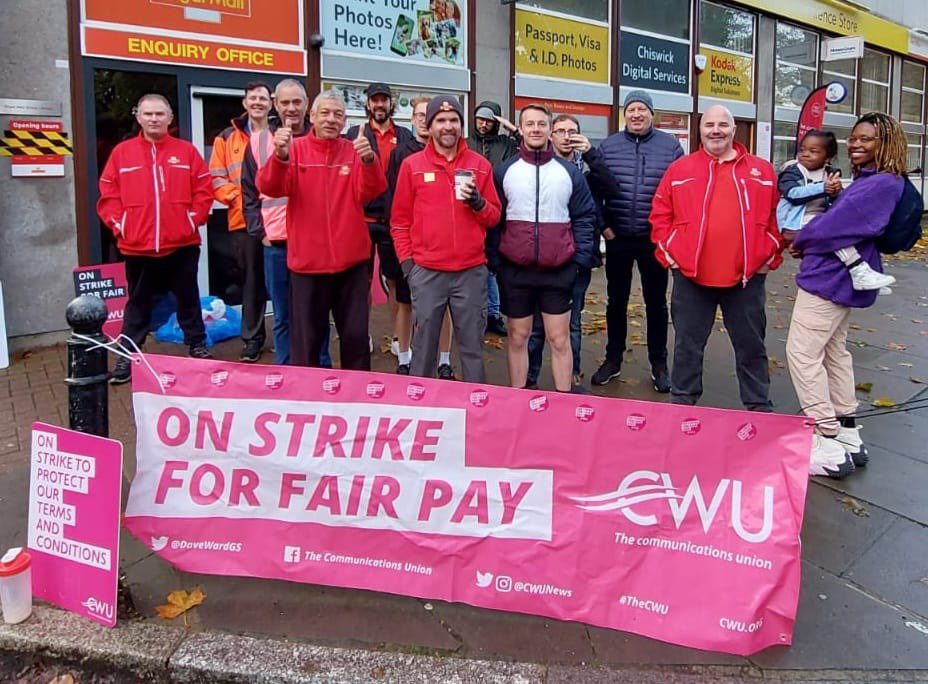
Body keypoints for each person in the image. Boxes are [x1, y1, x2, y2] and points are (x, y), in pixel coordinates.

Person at [786, 112, 907, 478]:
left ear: (885, 143)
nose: (856, 144)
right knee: (834, 353)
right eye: (854, 138)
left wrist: (801, 240)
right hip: (839, 279)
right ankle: (848, 432)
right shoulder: (876, 181)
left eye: (866, 139)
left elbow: (834, 226)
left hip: (827, 280)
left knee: (802, 354)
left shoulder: (880, 184)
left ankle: (825, 438)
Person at [650, 104, 782, 411]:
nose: (716, 130)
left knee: (751, 346)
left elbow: (778, 218)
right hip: (692, 277)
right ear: (700, 130)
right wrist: (670, 252)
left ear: (734, 130)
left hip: (745, 278)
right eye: (709, 124)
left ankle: (758, 404)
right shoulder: (680, 169)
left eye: (723, 124)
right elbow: (660, 215)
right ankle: (683, 403)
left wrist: (769, 254)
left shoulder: (761, 171)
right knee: (687, 346)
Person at [257, 90, 386, 370]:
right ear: (311, 116)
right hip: (307, 267)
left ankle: (358, 399)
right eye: (325, 113)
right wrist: (279, 157)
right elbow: (270, 187)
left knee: (355, 339)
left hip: (351, 265)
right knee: (307, 343)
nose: (331, 119)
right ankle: (308, 402)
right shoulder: (296, 149)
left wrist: (368, 161)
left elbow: (371, 191)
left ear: (345, 121)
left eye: (338, 114)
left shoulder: (353, 150)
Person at [98, 93, 213, 385]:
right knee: (137, 304)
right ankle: (127, 354)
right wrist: (120, 224)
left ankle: (197, 344)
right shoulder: (122, 153)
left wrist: (192, 219)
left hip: (181, 244)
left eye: (160, 114)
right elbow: (108, 194)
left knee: (188, 299)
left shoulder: (186, 151)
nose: (154, 119)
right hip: (138, 246)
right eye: (148, 114)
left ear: (170, 118)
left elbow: (203, 188)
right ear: (138, 117)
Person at [391, 95, 502, 382]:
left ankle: (476, 409)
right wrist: (408, 265)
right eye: (440, 120)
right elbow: (400, 221)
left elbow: (494, 217)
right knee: (423, 349)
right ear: (429, 126)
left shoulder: (479, 165)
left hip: (470, 272)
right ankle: (422, 407)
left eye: (454, 120)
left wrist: (478, 203)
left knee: (472, 350)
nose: (448, 126)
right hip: (427, 273)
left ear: (461, 125)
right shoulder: (412, 165)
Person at [491, 104, 596, 393]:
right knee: (517, 337)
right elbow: (494, 219)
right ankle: (517, 400)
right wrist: (495, 262)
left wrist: (580, 261)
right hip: (516, 270)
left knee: (559, 340)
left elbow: (586, 217)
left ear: (549, 129)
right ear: (520, 129)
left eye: (541, 124)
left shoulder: (568, 173)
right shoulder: (505, 171)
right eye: (530, 124)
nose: (536, 129)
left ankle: (564, 401)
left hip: (558, 271)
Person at [592, 90, 684, 392]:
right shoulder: (608, 147)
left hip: (653, 240)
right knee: (616, 301)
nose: (636, 114)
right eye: (631, 109)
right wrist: (604, 228)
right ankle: (612, 359)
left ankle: (659, 363)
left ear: (651, 115)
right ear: (624, 114)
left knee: (656, 304)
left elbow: (679, 196)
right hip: (617, 236)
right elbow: (594, 192)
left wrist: (667, 235)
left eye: (642, 109)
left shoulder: (670, 148)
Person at [241, 79, 331, 367]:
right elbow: (248, 192)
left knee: (317, 313)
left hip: (315, 243)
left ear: (307, 104)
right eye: (285, 102)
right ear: (275, 105)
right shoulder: (259, 142)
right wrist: (260, 233)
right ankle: (286, 374)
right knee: (282, 316)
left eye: (297, 102)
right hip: (277, 243)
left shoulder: (322, 139)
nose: (291, 108)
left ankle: (322, 371)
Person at [526, 114, 618, 389]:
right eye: (560, 131)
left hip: (577, 258)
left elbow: (610, 190)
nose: (566, 136)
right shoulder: (537, 166)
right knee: (537, 326)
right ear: (551, 136)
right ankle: (529, 377)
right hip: (541, 258)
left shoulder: (588, 169)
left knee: (572, 322)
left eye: (572, 131)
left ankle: (571, 375)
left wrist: (591, 154)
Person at [384, 96, 456, 379]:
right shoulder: (402, 154)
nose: (425, 120)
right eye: (420, 115)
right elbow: (395, 205)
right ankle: (404, 357)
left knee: (444, 307)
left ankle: (444, 360)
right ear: (414, 119)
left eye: (431, 114)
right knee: (405, 303)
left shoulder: (452, 154)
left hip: (441, 250)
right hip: (409, 247)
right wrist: (402, 249)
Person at [777, 129, 895, 292]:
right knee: (832, 231)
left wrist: (836, 192)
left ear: (828, 157)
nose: (805, 154)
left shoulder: (830, 173)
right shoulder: (792, 171)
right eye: (802, 149)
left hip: (816, 221)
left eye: (813, 151)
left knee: (842, 236)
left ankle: (864, 280)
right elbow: (792, 194)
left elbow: (837, 203)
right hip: (794, 223)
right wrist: (823, 188)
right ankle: (857, 268)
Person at [346, 83, 414, 357]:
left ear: (391, 104)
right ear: (368, 105)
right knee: (360, 282)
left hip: (392, 219)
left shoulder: (405, 135)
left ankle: (399, 338)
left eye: (384, 100)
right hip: (362, 218)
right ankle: (364, 335)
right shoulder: (355, 133)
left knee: (395, 281)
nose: (379, 105)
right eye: (375, 101)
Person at [208, 81, 271, 363]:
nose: (258, 102)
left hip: (279, 220)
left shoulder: (279, 134)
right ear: (244, 103)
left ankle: (289, 335)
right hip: (243, 221)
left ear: (270, 104)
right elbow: (216, 179)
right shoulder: (226, 138)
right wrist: (242, 199)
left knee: (284, 282)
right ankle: (253, 339)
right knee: (252, 284)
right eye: (253, 98)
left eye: (263, 98)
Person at [467, 100, 519, 338]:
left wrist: (513, 130)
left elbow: (529, 146)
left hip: (498, 210)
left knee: (493, 266)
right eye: (480, 119)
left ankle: (494, 314)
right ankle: (474, 313)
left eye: (489, 120)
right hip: (469, 211)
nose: (483, 124)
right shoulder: (467, 143)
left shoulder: (506, 144)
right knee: (473, 265)